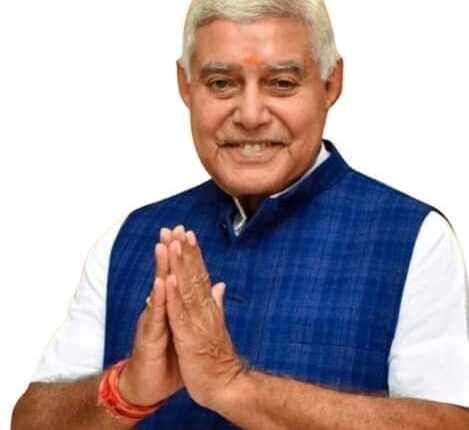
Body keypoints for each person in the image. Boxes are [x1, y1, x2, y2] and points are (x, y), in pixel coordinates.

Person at [12, 0, 469, 429]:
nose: (250, 115)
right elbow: (29, 419)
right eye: (221, 83)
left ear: (331, 84)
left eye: (281, 83)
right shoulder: (129, 237)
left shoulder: (414, 239)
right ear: (185, 86)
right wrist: (127, 388)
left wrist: (234, 386)